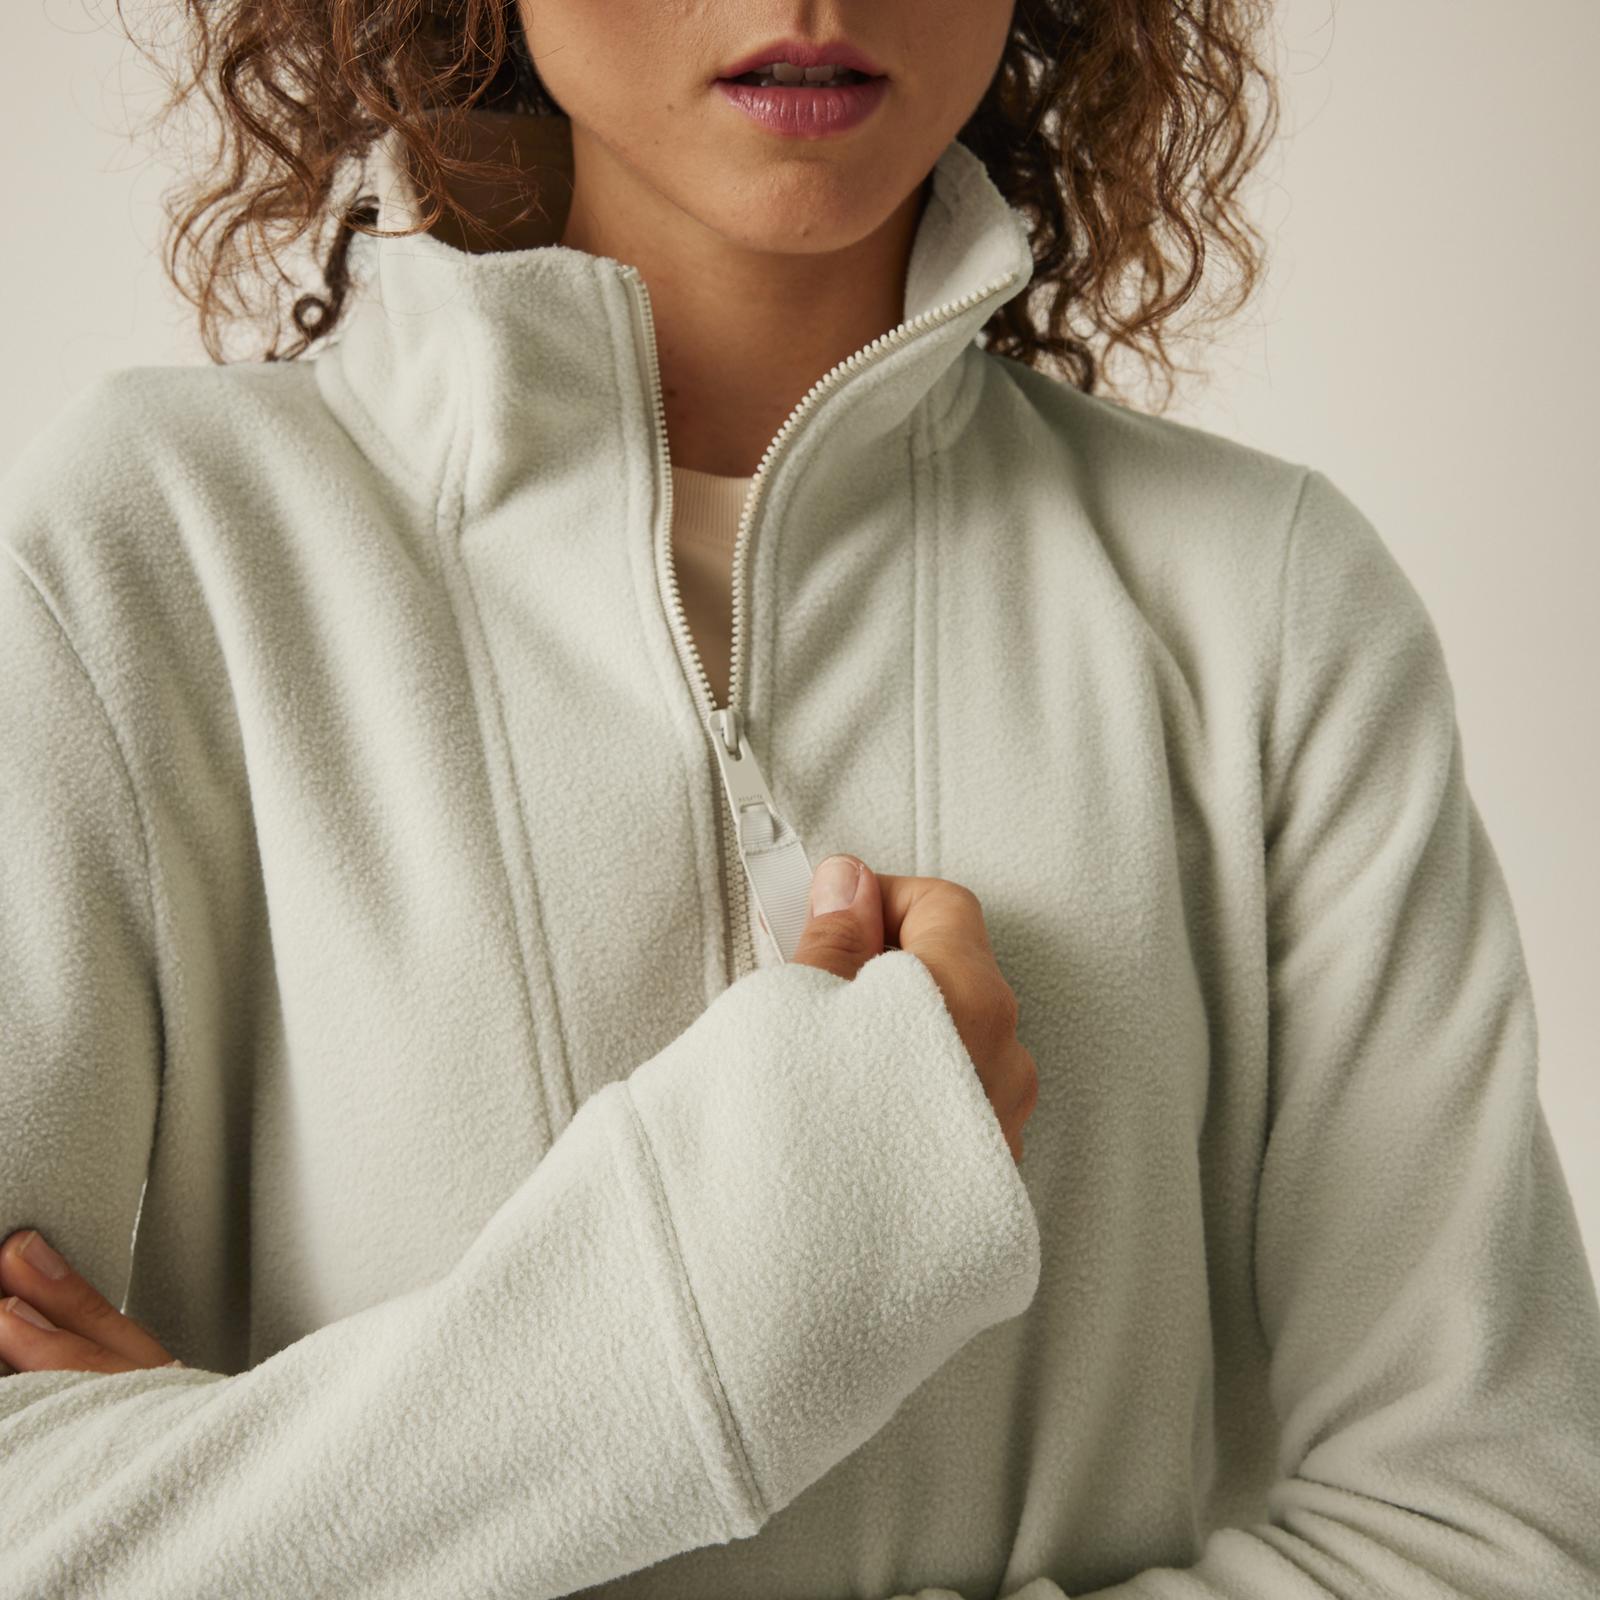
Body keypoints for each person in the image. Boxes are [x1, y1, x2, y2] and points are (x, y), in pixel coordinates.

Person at [2, 1, 1597, 1596]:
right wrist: (724, 1308)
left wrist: (272, 1521)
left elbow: (1493, 1541)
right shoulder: (149, 560)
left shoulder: (1265, 608)